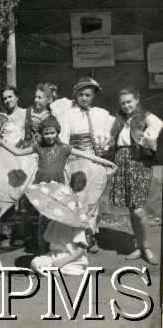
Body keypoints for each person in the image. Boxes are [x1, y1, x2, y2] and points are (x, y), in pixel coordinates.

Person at [0, 116, 115, 252]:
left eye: (52, 133)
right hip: (42, 186)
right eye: (46, 133)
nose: (49, 136)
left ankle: (56, 248)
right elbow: (17, 152)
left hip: (58, 186)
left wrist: (104, 161)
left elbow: (84, 154)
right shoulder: (38, 147)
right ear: (42, 134)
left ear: (57, 132)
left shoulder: (64, 148)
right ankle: (42, 250)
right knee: (42, 218)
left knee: (57, 218)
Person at [59, 77, 115, 253]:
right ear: (75, 95)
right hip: (75, 161)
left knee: (92, 201)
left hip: (94, 161)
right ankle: (75, 236)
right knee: (76, 199)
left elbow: (111, 130)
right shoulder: (68, 114)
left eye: (88, 95)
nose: (84, 98)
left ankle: (90, 236)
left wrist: (104, 146)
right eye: (81, 94)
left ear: (93, 96)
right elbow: (64, 140)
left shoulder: (101, 114)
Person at [109, 88, 162, 265]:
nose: (126, 105)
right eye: (123, 103)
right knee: (132, 210)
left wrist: (149, 138)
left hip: (139, 162)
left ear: (137, 100)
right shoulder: (120, 119)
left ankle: (146, 247)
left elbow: (158, 124)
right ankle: (139, 247)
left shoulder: (145, 116)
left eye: (129, 101)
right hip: (123, 162)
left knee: (139, 210)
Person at [29, 179, 90, 276]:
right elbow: (47, 241)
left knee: (68, 269)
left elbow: (81, 250)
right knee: (35, 262)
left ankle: (58, 272)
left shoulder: (77, 225)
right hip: (55, 257)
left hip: (73, 260)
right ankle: (55, 272)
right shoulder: (53, 223)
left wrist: (62, 262)